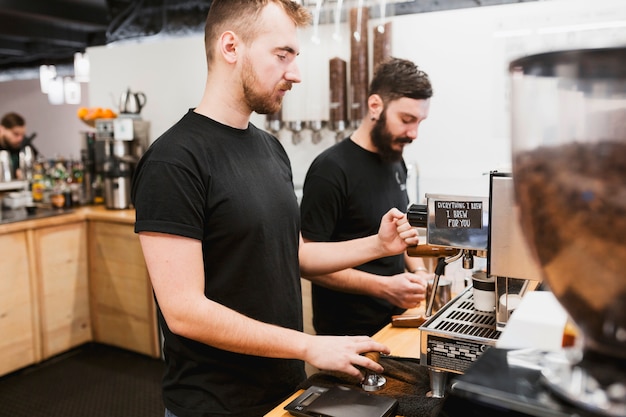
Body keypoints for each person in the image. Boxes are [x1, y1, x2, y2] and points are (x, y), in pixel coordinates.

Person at [130, 2, 419, 416]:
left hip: (284, 391)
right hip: (213, 405)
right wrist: (309, 345)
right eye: (282, 55)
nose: (296, 73)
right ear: (231, 47)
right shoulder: (174, 160)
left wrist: (377, 244)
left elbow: (293, 252)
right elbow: (184, 312)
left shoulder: (270, 149)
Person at [300, 58, 434, 337]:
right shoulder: (331, 170)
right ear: (375, 106)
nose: (414, 133)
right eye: (407, 120)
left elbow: (402, 230)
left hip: (395, 319)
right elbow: (308, 263)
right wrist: (383, 286)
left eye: (419, 122)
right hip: (349, 332)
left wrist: (420, 272)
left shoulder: (395, 160)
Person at [0, 112, 37, 179]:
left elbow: (37, 163)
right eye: (16, 134)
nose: (20, 139)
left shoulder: (24, 143)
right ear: (2, 129)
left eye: (22, 134)